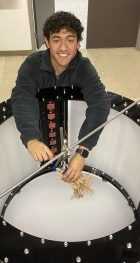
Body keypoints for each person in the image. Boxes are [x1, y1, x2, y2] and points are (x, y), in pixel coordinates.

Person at [11, 11, 110, 183]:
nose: (63, 47)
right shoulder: (31, 65)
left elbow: (100, 104)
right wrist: (31, 138)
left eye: (70, 40)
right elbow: (22, 99)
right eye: (56, 40)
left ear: (78, 43)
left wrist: (82, 150)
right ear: (47, 42)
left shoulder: (84, 68)